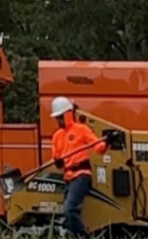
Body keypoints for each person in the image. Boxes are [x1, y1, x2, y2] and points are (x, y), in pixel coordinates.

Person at [50, 96, 108, 236]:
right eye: (56, 118)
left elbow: (98, 147)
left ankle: (82, 236)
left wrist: (107, 142)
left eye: (60, 117)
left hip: (82, 175)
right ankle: (73, 234)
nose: (58, 121)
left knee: (69, 209)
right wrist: (57, 161)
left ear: (68, 114)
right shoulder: (57, 136)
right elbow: (57, 159)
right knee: (67, 215)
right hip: (68, 177)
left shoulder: (82, 130)